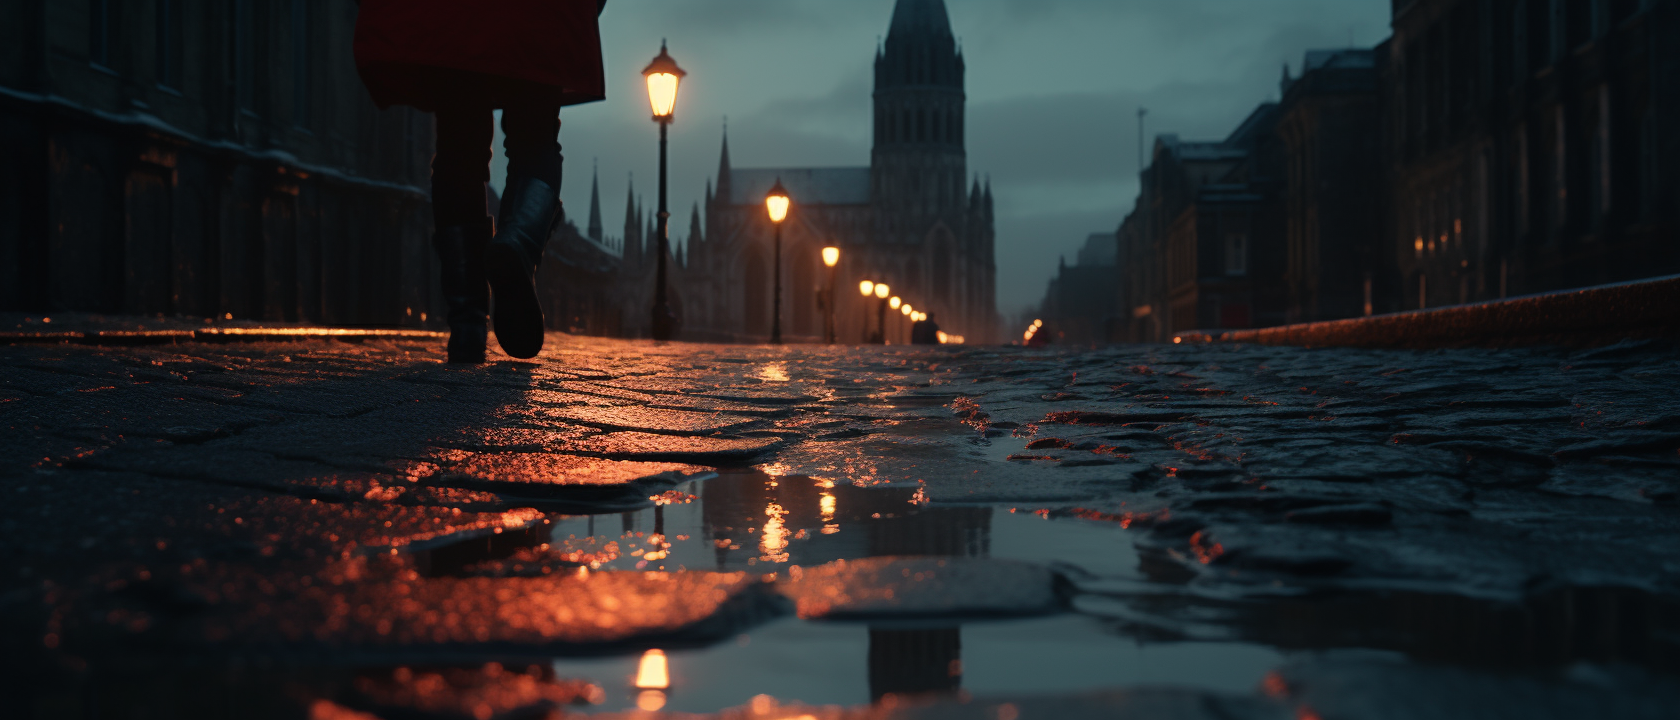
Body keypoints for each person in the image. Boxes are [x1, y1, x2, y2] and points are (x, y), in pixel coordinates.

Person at [353, 0, 608, 362]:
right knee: (535, 137)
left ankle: (467, 323)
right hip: (543, 12)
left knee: (459, 143)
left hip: (454, 13)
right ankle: (517, 242)